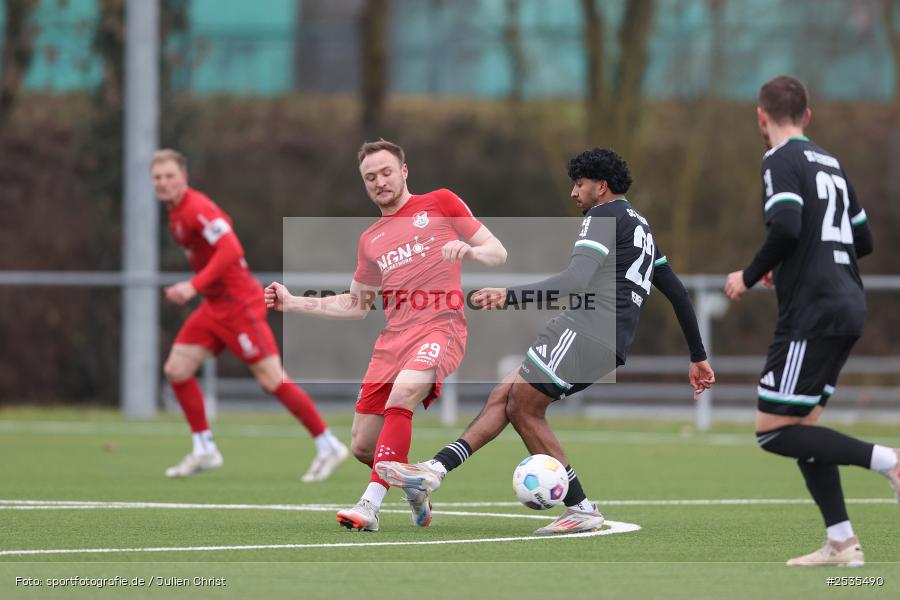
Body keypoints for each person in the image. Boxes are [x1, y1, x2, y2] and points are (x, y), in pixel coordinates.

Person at [376, 147, 716, 534]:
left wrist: (510, 295)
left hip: (586, 329)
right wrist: (699, 355)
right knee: (504, 395)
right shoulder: (640, 226)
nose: (574, 193)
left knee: (523, 408)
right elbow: (677, 292)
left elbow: (575, 280)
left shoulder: (602, 216)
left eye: (580, 184)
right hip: (607, 338)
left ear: (601, 187)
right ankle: (434, 470)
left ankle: (581, 507)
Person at [265, 139, 507, 532]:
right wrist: (293, 303)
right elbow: (356, 304)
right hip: (392, 340)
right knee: (362, 444)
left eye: (386, 172)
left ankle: (370, 505)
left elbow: (498, 251)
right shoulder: (371, 239)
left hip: (439, 325)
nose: (379, 182)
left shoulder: (441, 202)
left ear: (404, 171)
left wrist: (470, 251)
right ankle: (414, 485)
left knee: (403, 394)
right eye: (370, 177)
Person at [722, 75, 899, 567]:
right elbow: (862, 242)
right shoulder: (832, 162)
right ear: (808, 116)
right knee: (803, 426)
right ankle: (842, 543)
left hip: (813, 311)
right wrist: (793, 262)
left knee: (773, 430)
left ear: (761, 116)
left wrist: (751, 274)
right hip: (848, 303)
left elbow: (786, 224)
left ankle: (889, 461)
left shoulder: (780, 159)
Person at [152, 149, 348, 481]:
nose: (163, 183)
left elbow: (232, 249)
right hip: (215, 306)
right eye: (157, 177)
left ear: (184, 177)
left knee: (272, 379)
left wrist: (192, 286)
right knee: (177, 368)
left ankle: (328, 444)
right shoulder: (176, 212)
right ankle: (204, 449)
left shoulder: (196, 208)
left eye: (170, 176)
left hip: (239, 305)